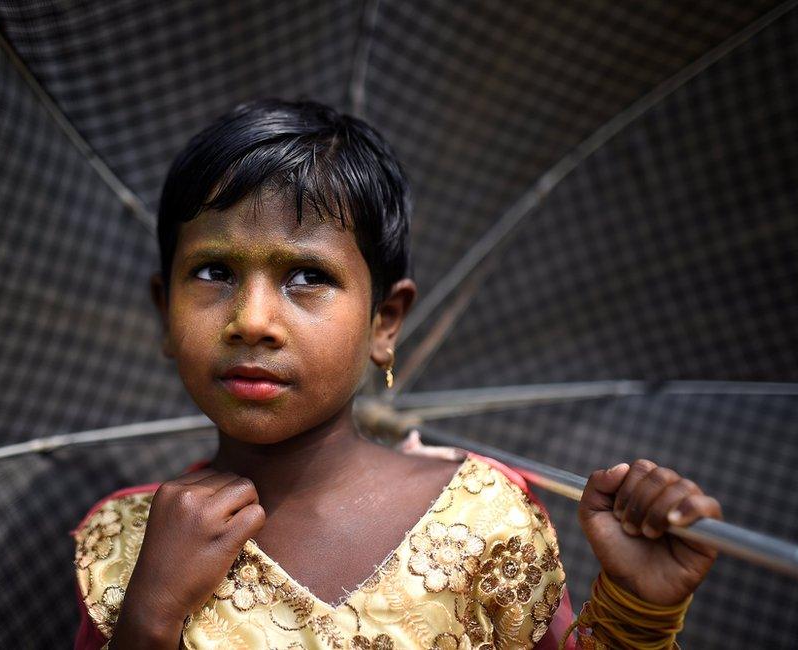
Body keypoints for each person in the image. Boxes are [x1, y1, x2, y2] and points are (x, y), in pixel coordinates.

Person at [70, 99, 722, 649]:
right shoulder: (124, 542)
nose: (253, 319)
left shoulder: (482, 516)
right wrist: (148, 619)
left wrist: (639, 604)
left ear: (384, 321)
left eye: (307, 276)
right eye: (214, 272)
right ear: (165, 309)